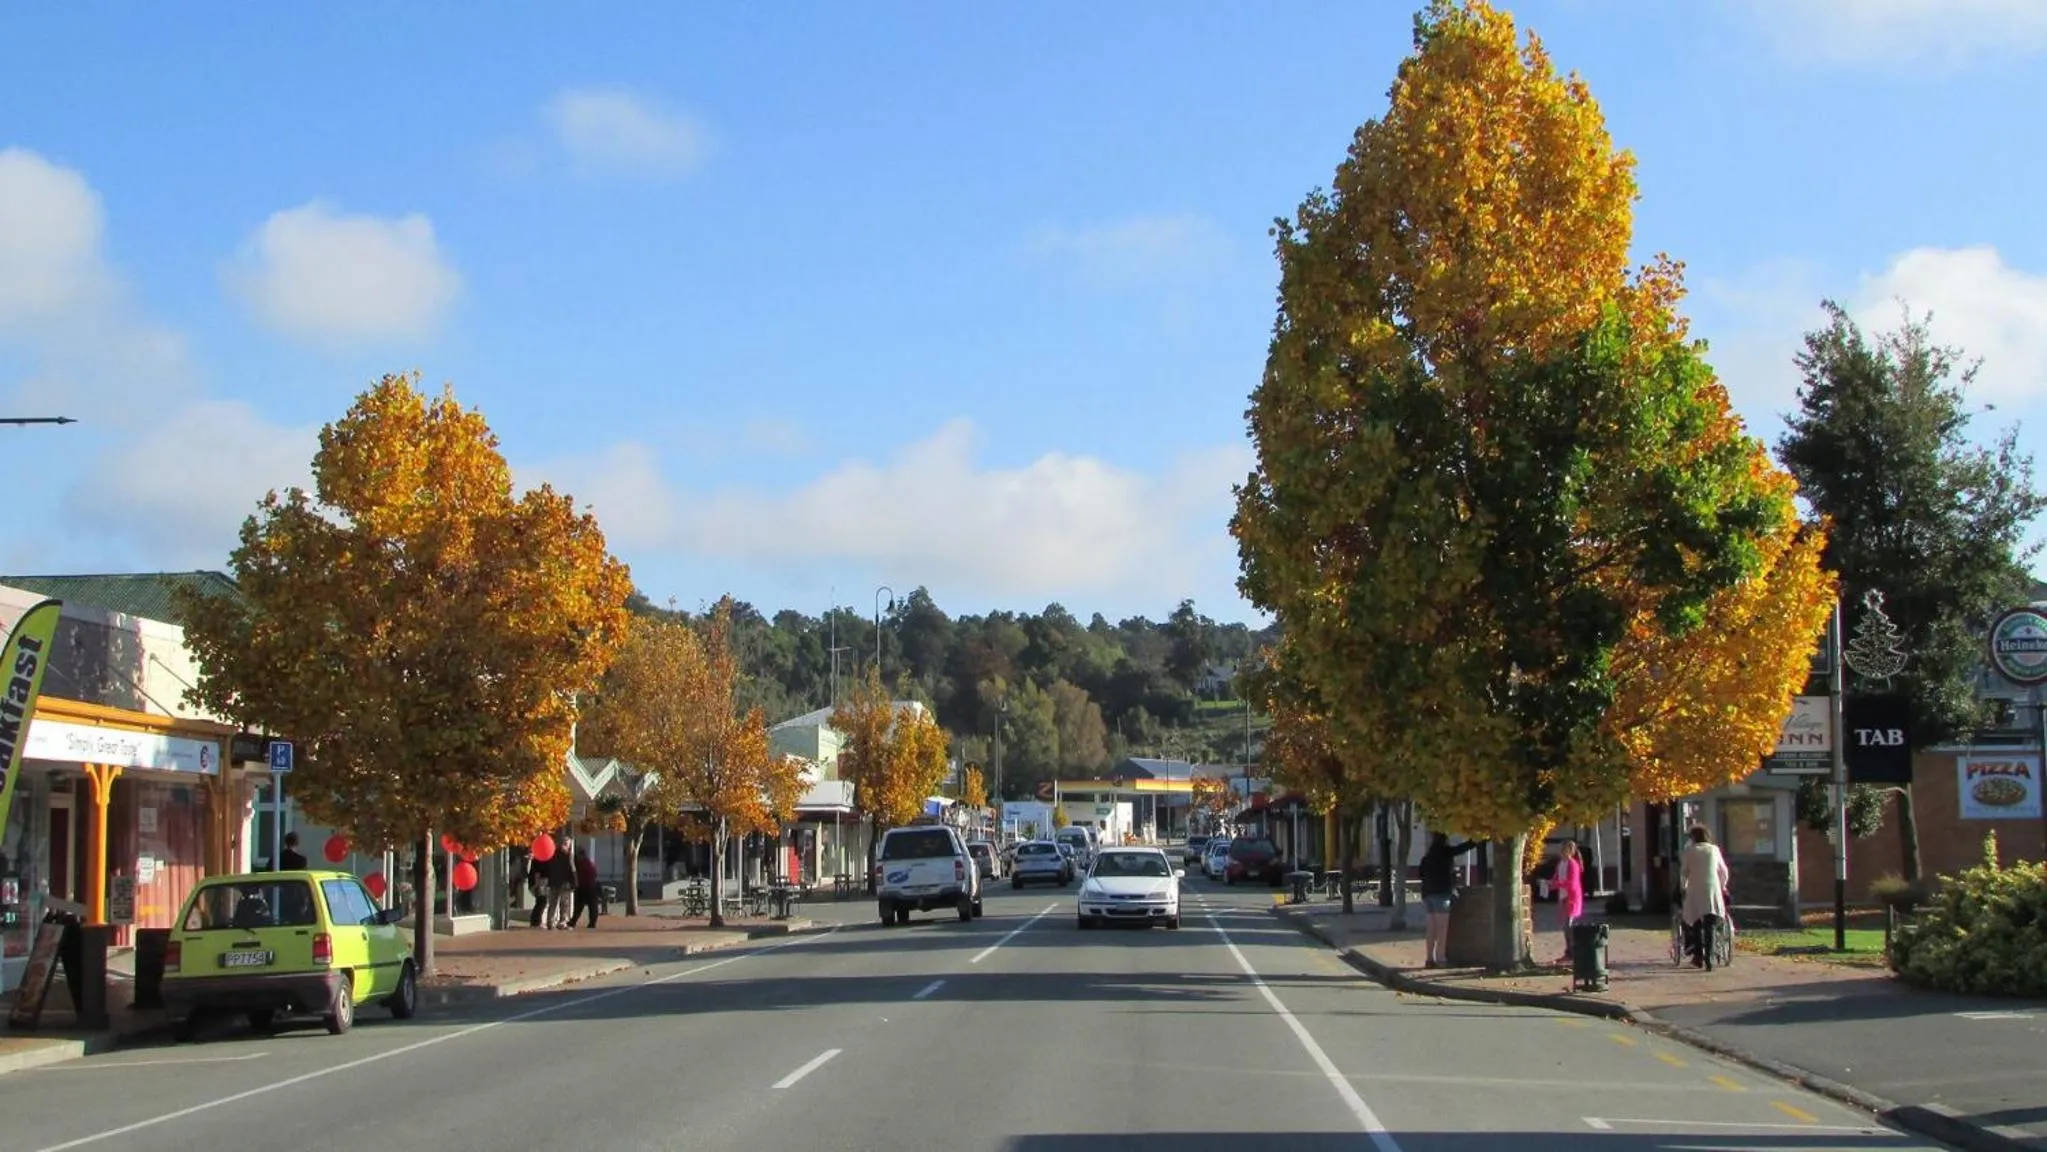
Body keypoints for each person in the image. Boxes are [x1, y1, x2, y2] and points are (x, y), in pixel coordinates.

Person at [1419, 831, 1480, 968]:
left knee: (1431, 928)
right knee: (1442, 929)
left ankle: (1429, 958)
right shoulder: (1446, 853)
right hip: (1441, 894)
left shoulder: (1427, 857)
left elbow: (1421, 874)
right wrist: (1477, 838)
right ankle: (1440, 958)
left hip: (1428, 895)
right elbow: (1463, 848)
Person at [1679, 824, 1730, 970]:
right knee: (1710, 924)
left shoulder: (1689, 851)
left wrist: (1683, 887)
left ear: (1693, 837)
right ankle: (1709, 957)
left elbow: (1684, 872)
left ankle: (1698, 956)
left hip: (1695, 889)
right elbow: (1724, 871)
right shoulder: (1714, 850)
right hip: (1712, 889)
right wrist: (1722, 885)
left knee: (1696, 923)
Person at [1550, 840, 1584, 965]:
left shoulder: (1573, 864)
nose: (1562, 851)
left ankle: (1573, 952)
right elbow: (1556, 877)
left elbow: (1572, 883)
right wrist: (1549, 884)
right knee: (1565, 926)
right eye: (1562, 848)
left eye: (1565, 849)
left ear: (1570, 851)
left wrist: (1555, 884)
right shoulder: (1561, 863)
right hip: (1563, 897)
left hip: (1571, 898)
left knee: (1568, 925)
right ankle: (1569, 952)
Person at [544, 832, 576, 929]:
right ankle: (562, 922)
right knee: (564, 903)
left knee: (553, 902)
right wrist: (574, 882)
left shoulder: (552, 853)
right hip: (564, 883)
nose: (568, 846)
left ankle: (550, 922)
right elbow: (572, 869)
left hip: (554, 881)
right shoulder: (568, 855)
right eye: (567, 844)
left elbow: (548, 867)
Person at [572, 846, 601, 929]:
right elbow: (595, 874)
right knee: (592, 906)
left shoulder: (581, 864)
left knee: (579, 906)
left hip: (584, 887)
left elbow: (580, 875)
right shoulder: (589, 863)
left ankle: (574, 921)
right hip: (590, 886)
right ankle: (592, 923)